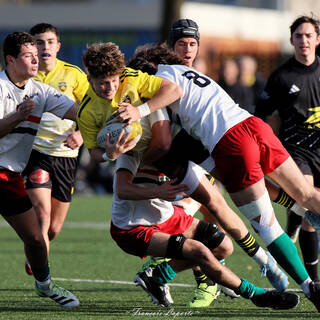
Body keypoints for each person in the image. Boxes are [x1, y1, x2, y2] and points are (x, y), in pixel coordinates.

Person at [116, 43, 320, 312]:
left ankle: (310, 287)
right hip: (252, 125)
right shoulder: (184, 72)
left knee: (267, 226)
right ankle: (298, 211)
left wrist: (137, 118)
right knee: (306, 194)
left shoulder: (158, 83)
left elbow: (164, 139)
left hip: (231, 143)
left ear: (148, 69)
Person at [110, 149, 299, 310]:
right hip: (132, 227)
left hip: (169, 216)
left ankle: (157, 276)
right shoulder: (133, 152)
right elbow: (122, 189)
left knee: (224, 247)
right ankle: (256, 295)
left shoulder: (177, 148)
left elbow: (218, 203)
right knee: (199, 250)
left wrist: (262, 258)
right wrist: (158, 192)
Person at [0, 31, 79, 307]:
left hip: (8, 178)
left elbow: (77, 112)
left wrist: (104, 118)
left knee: (36, 239)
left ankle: (44, 286)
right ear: (10, 60)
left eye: (37, 55)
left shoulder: (40, 91)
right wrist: (17, 116)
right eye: (28, 56)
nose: (37, 60)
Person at [256, 15, 320, 283]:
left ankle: (293, 221)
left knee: (306, 210)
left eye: (308, 36)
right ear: (292, 40)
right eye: (298, 36)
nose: (303, 41)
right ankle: (314, 281)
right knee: (309, 207)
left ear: (318, 39)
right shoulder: (281, 77)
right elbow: (262, 117)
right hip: (296, 150)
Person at [22, 23, 89, 276]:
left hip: (66, 157)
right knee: (42, 215)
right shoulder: (25, 75)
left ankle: (36, 250)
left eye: (50, 42)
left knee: (53, 229)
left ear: (58, 46)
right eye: (39, 42)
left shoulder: (74, 75)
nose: (45, 46)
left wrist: (82, 134)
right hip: (34, 154)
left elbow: (91, 111)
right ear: (32, 48)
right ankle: (44, 275)